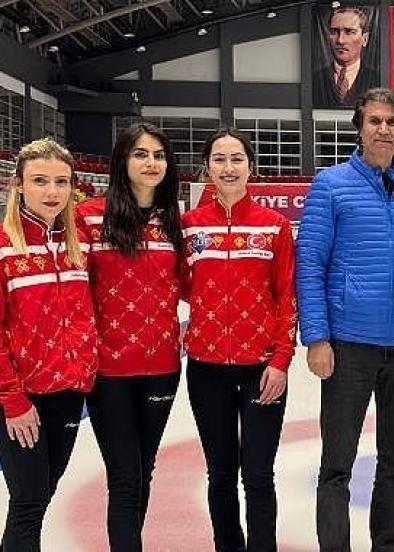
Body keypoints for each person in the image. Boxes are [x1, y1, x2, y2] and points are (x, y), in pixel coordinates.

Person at [296, 87, 394, 552]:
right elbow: (310, 264)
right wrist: (317, 337)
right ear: (360, 129)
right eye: (374, 121)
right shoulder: (330, 185)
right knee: (337, 464)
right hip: (348, 345)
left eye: (392, 122)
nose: (383, 129)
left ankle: (388, 545)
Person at [181, 127, 297, 551]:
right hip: (206, 370)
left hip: (261, 371)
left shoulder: (275, 227)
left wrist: (281, 361)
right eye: (219, 159)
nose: (228, 168)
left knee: (259, 474)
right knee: (221, 475)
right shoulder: (188, 227)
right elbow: (177, 285)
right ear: (207, 167)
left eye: (236, 159)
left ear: (251, 167)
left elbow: (287, 296)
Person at [76, 122, 185, 551]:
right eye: (141, 154)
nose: (151, 162)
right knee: (124, 477)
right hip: (109, 372)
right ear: (122, 161)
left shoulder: (172, 222)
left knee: (143, 469)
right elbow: (73, 293)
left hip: (162, 368)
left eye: (158, 155)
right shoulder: (88, 218)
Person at [0, 138, 98, 549]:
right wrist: (12, 399)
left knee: (40, 497)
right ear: (19, 185)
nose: (52, 191)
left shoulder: (79, 246)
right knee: (28, 501)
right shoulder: (4, 248)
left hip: (69, 394)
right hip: (21, 398)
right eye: (40, 181)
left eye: (61, 182)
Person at [313, 5, 380, 109]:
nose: (340, 40)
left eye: (349, 32)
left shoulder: (378, 80)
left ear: (365, 39)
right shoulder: (314, 80)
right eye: (334, 32)